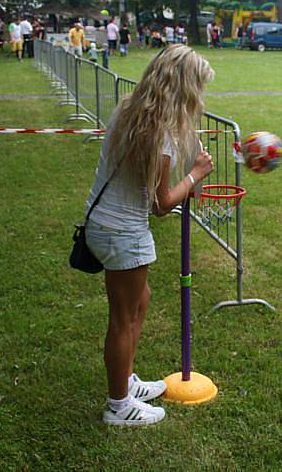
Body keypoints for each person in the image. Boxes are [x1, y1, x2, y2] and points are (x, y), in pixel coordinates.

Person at [83, 45, 215, 426]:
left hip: (105, 224)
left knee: (141, 299)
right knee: (123, 319)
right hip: (122, 231)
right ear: (183, 87)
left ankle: (126, 381)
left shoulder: (130, 111)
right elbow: (161, 204)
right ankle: (119, 405)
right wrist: (195, 175)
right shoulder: (161, 135)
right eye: (198, 88)